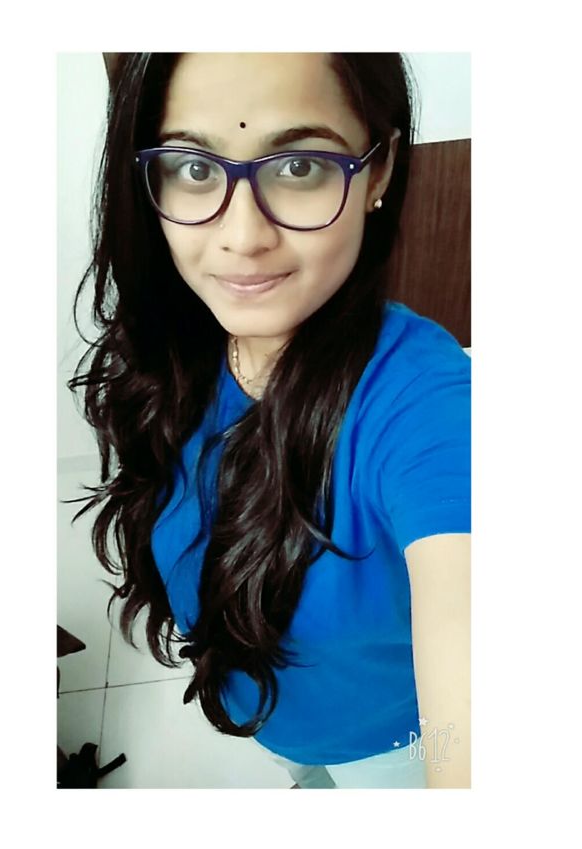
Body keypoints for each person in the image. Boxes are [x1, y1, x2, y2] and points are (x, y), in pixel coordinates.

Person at [68, 52, 471, 789]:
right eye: (195, 168)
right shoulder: (173, 350)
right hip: (267, 717)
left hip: (393, 753)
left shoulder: (424, 401)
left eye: (299, 166)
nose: (243, 236)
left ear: (378, 171)